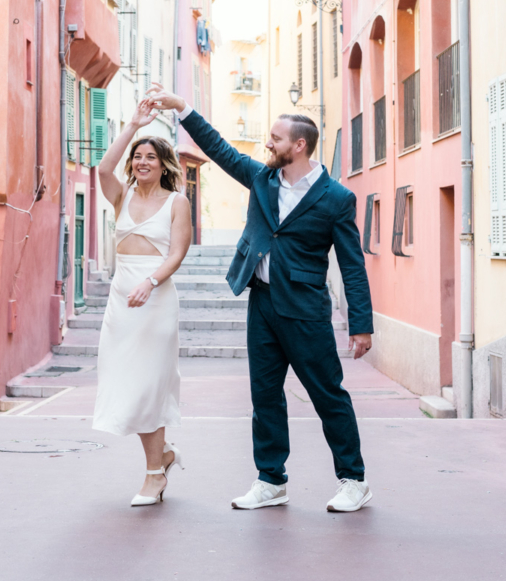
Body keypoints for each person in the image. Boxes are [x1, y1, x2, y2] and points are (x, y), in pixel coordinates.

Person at [147, 85, 374, 513]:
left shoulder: (337, 199)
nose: (267, 143)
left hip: (306, 310)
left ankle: (353, 480)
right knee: (265, 394)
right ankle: (271, 480)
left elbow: (352, 264)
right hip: (263, 303)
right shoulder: (262, 178)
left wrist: (361, 325)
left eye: (275, 138)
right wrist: (183, 108)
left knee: (329, 396)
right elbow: (219, 149)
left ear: (299, 145)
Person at [91, 97, 192, 506]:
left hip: (155, 299)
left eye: (150, 157)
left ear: (164, 163)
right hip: (122, 301)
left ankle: (154, 475)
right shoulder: (121, 197)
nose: (142, 162)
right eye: (137, 157)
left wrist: (150, 281)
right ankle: (164, 456)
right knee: (128, 385)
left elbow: (177, 253)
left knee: (149, 386)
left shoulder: (176, 202)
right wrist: (132, 125)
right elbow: (102, 169)